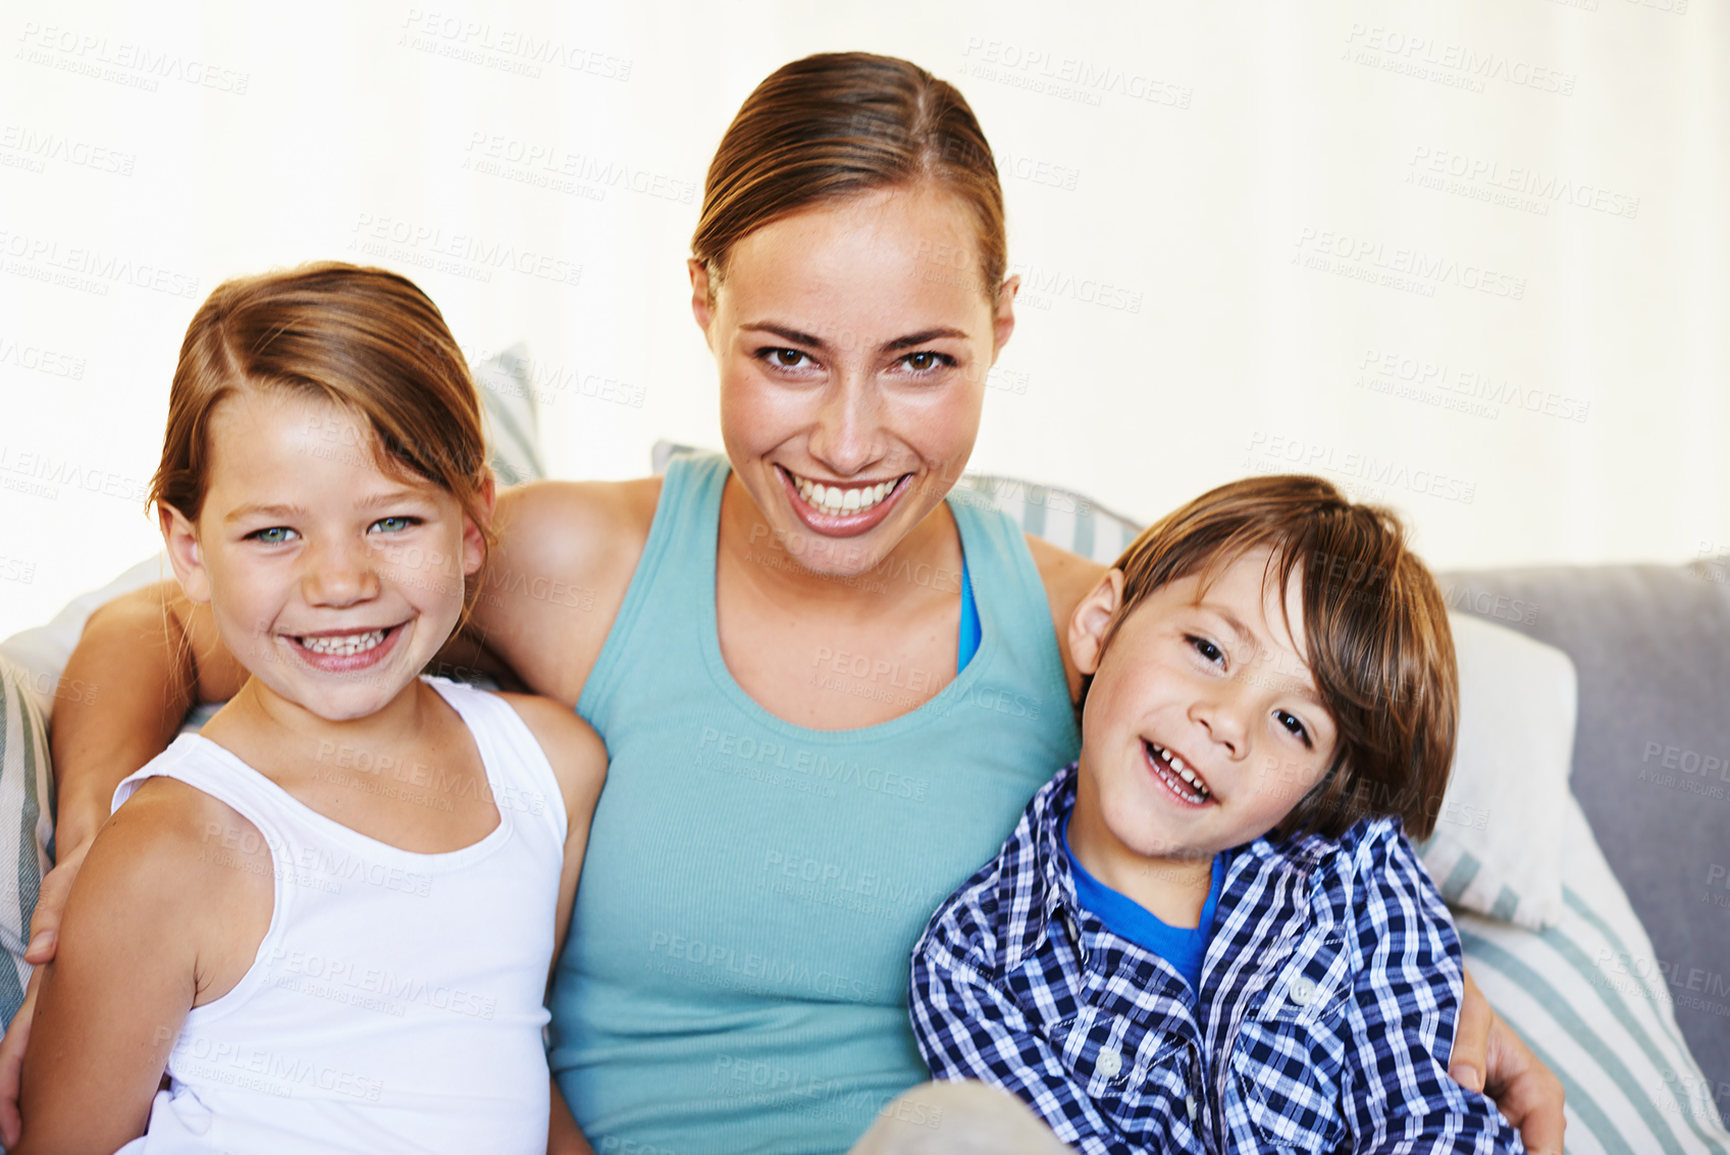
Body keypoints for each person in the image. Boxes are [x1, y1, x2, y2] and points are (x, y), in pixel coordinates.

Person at [0, 53, 1564, 1154]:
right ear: (704, 305)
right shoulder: (565, 565)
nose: (846, 440)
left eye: (922, 361)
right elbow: (150, 629)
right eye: (788, 353)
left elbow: (1295, 756)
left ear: (1002, 331)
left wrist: (1443, 997)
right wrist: (84, 850)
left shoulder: (1092, 629)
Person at [10, 264, 606, 1153]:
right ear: (190, 549)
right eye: (274, 533)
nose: (341, 582)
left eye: (395, 521)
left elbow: (500, 1060)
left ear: (474, 523)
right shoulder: (170, 849)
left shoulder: (551, 771)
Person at [910, 475, 1523, 1153]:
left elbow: (1429, 1121)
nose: (1229, 721)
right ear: (1098, 625)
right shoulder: (973, 962)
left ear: (1316, 786)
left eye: (1293, 722)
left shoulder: (1360, 883)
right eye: (1208, 649)